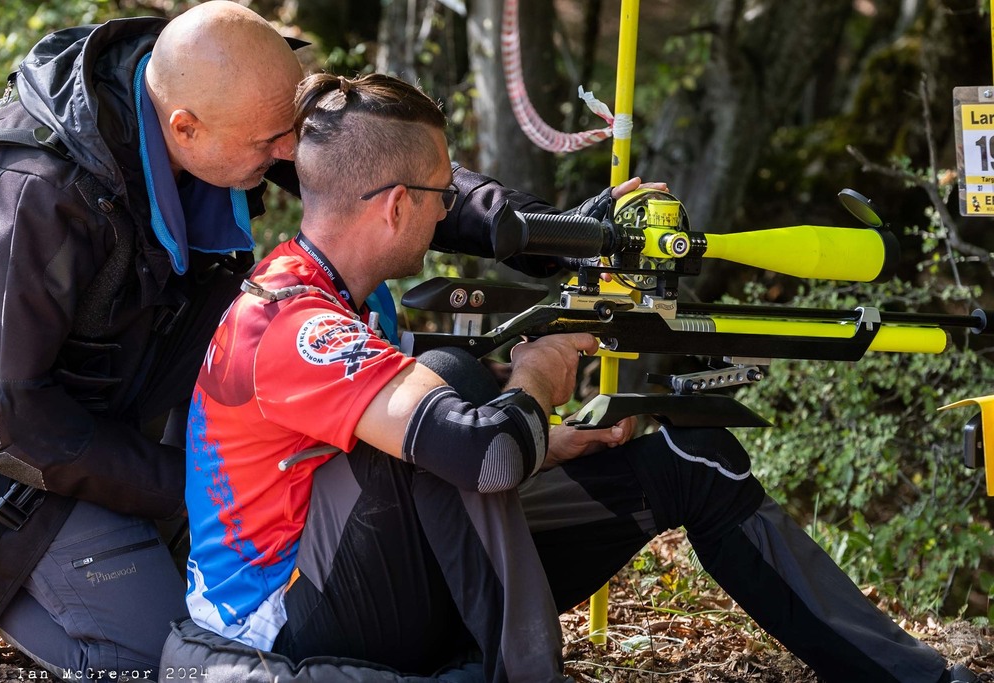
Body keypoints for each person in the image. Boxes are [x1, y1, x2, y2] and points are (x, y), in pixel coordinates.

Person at [182, 71, 980, 683]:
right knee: (455, 378)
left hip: (385, 570)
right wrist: (532, 376)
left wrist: (550, 438)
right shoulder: (293, 322)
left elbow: (446, 451)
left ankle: (918, 678)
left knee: (694, 462)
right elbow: (480, 453)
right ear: (394, 206)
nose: (447, 210)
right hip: (289, 618)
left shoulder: (349, 298)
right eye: (440, 193)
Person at [0, 2, 580, 677]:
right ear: (186, 127)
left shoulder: (228, 97)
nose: (290, 152)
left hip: (146, 418)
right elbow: (3, 419)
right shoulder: (37, 195)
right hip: (24, 470)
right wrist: (193, 486)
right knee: (169, 662)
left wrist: (556, 233)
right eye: (272, 142)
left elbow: (374, 169)